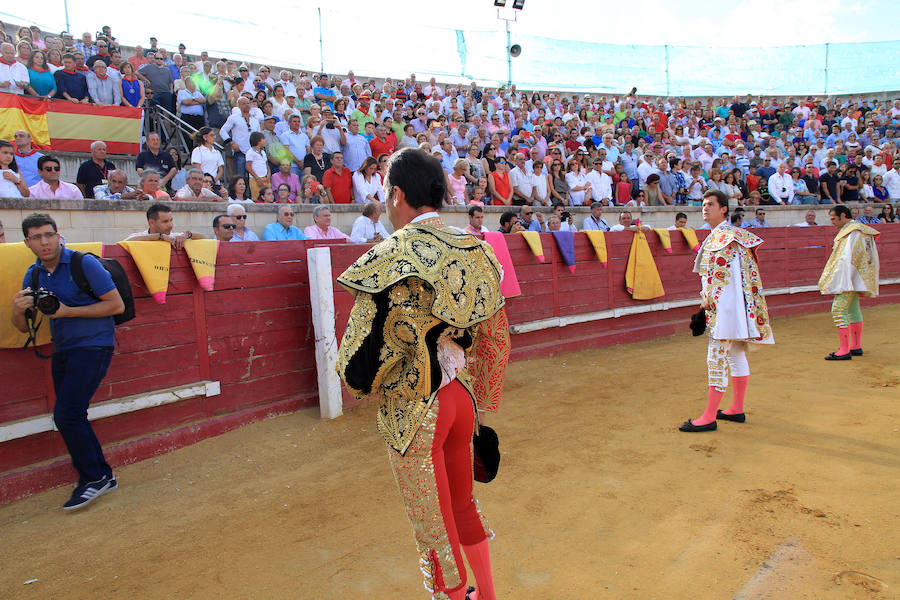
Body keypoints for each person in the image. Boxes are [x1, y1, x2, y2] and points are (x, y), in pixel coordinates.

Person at [336, 148, 507, 600]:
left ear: (396, 195)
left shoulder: (392, 253)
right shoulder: (475, 247)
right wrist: (484, 411)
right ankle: (487, 595)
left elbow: (360, 362)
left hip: (417, 410)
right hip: (462, 401)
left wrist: (363, 383)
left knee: (433, 525)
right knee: (463, 504)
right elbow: (496, 339)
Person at [11, 213, 125, 510]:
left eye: (49, 234)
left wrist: (66, 312)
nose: (45, 242)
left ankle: (95, 477)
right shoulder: (33, 275)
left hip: (94, 345)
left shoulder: (82, 263)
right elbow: (25, 327)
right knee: (71, 414)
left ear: (58, 234)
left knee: (67, 414)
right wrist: (17, 308)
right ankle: (103, 475)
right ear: (27, 242)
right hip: (64, 349)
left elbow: (116, 305)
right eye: (37, 237)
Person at [679, 190, 773, 432]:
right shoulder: (730, 237)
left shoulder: (725, 239)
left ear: (723, 209)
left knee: (717, 359)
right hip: (735, 310)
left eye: (710, 204)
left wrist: (708, 309)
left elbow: (721, 282)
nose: (705, 208)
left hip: (724, 312)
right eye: (703, 204)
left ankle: (709, 416)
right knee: (736, 355)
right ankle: (737, 408)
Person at [817, 205, 880, 361]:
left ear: (843, 215)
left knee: (838, 310)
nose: (832, 222)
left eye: (833, 219)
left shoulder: (852, 233)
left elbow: (846, 259)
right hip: (856, 277)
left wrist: (842, 279)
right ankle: (856, 346)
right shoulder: (860, 230)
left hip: (848, 277)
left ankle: (844, 350)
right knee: (852, 310)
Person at [124, 203, 204, 248]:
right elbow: (124, 243)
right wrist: (159, 236)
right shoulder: (141, 236)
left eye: (171, 220)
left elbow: (204, 238)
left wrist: (187, 234)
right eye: (165, 221)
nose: (170, 225)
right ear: (151, 222)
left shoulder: (174, 237)